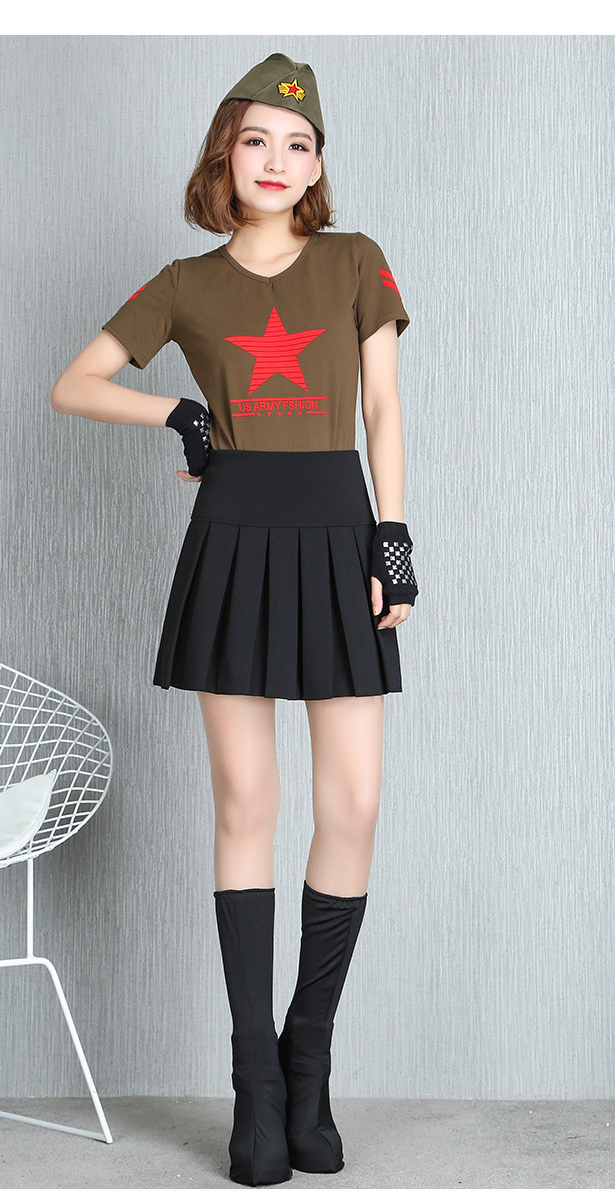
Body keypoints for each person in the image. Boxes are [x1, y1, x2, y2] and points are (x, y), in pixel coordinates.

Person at [51, 52, 419, 1187]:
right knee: (247, 802)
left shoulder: (355, 262)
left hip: (340, 535)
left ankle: (309, 1058)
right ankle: (254, 1086)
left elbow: (383, 409)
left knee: (352, 803)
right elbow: (75, 382)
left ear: (317, 165)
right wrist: (179, 413)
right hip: (234, 542)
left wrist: (394, 541)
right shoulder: (185, 282)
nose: (277, 159)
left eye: (298, 144)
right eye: (257, 139)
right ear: (226, 154)